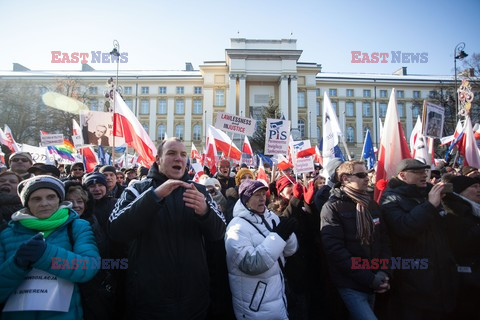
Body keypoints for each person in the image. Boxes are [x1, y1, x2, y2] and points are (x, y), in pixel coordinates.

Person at [108, 137, 226, 319]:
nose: (179, 158)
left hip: (194, 300)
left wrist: (205, 212)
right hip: (149, 302)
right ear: (158, 159)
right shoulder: (137, 189)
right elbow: (116, 230)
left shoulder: (200, 191)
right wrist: (154, 197)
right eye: (171, 153)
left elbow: (219, 234)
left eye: (183, 154)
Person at [0, 175, 99, 319]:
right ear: (26, 203)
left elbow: (89, 266)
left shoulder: (77, 226)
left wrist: (46, 255)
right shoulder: (7, 234)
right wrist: (16, 264)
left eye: (51, 197)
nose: (44, 203)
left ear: (60, 199)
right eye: (36, 199)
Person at [380, 159, 457, 319]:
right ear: (402, 175)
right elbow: (404, 227)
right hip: (414, 275)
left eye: (425, 172)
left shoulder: (429, 192)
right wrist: (429, 205)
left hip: (441, 272)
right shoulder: (390, 198)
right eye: (417, 172)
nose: (424, 175)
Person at [321, 161, 391, 320]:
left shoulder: (371, 204)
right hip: (350, 284)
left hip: (374, 278)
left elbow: (384, 240)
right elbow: (335, 250)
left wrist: (384, 271)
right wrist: (368, 278)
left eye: (367, 174)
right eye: (361, 175)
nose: (367, 178)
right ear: (345, 179)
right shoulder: (332, 207)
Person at [225, 180, 298, 319]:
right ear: (245, 200)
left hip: (277, 294)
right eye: (256, 195)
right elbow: (251, 263)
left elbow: (290, 251)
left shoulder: (271, 216)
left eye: (264, 194)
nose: (262, 198)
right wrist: (279, 236)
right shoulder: (236, 227)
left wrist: (288, 236)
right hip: (255, 303)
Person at [441, 176, 480, 319]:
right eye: (474, 186)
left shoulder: (474, 209)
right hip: (465, 274)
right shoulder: (453, 210)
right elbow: (460, 243)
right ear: (461, 191)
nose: (479, 190)